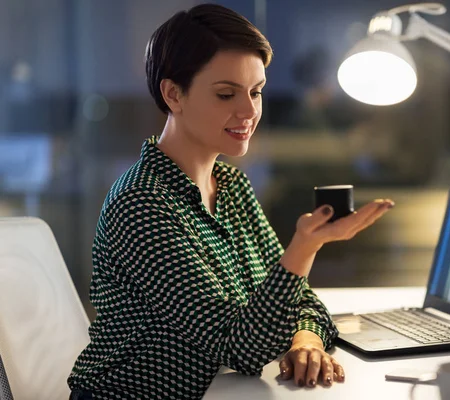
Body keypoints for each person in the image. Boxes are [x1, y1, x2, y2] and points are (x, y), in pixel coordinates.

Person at [67, 4, 394, 399]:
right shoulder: (140, 204)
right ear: (173, 94)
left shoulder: (231, 186)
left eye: (256, 92)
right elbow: (241, 348)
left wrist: (306, 340)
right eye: (226, 94)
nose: (249, 110)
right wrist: (305, 247)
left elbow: (298, 298)